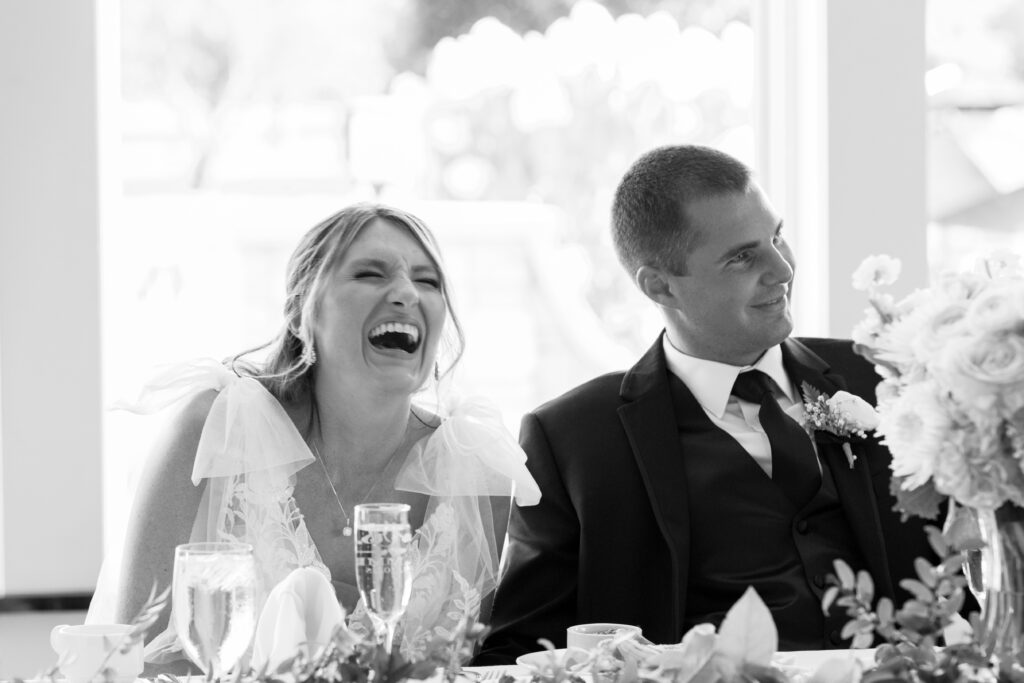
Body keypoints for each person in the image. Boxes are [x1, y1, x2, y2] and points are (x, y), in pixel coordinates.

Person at [475, 145, 936, 663]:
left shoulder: (886, 376)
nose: (782, 269)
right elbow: (514, 651)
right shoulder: (571, 439)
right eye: (742, 256)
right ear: (659, 285)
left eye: (778, 236)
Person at [93, 203, 540, 667]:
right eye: (370, 273)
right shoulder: (216, 430)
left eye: (428, 281)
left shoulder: (474, 468)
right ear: (302, 312)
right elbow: (127, 660)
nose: (407, 293)